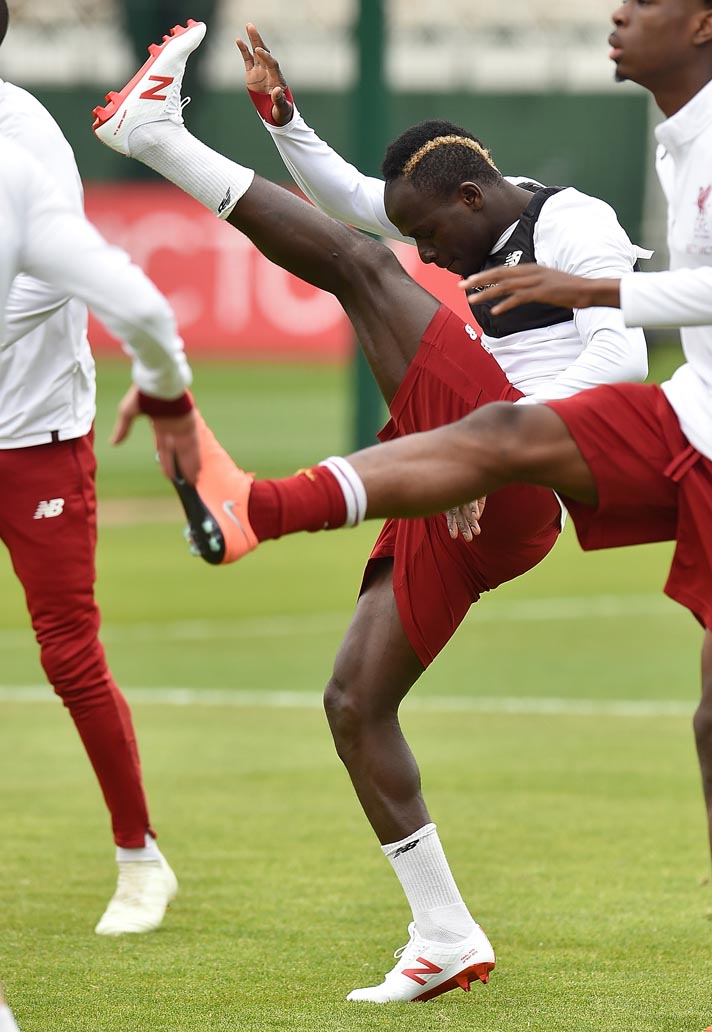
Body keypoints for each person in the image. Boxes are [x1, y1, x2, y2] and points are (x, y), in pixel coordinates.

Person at [101, 0, 712, 991]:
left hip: (523, 473)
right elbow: (351, 199)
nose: (429, 255)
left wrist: (487, 450)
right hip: (472, 469)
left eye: (432, 234)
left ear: (472, 198)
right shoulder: (467, 216)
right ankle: (445, 936)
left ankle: (155, 137)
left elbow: (617, 365)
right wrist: (284, 120)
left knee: (359, 271)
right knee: (353, 702)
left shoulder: (575, 223)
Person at [0, 0, 200, 935]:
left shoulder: (22, 141)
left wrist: (169, 393)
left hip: (35, 430)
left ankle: (140, 858)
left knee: (68, 651)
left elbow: (63, 275)